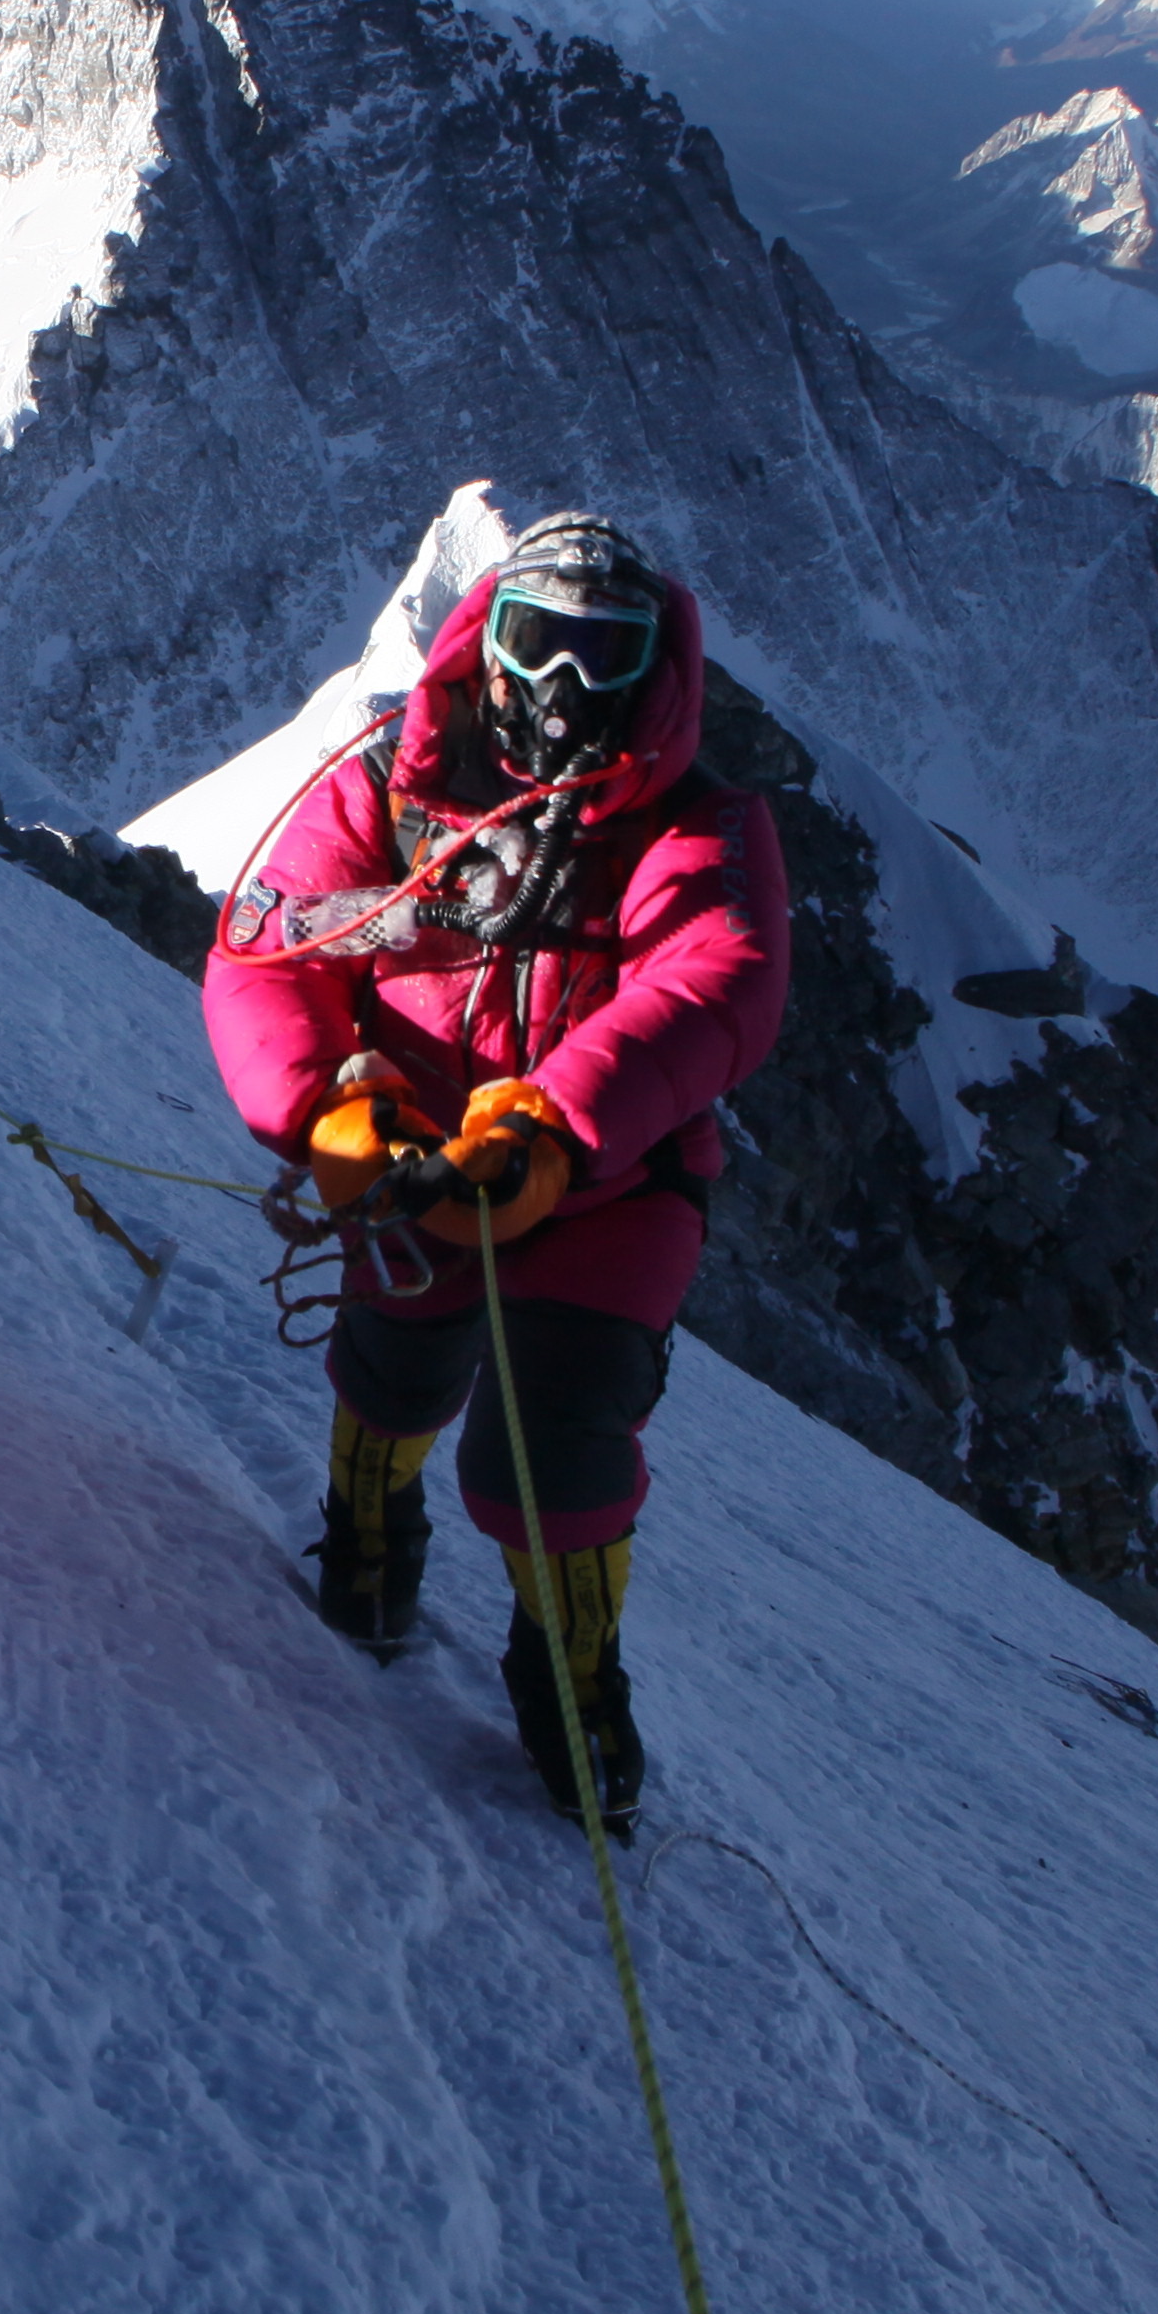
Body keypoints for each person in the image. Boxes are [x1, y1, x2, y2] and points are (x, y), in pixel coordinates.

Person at [202, 514, 790, 1833]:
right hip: (419, 1157)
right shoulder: (387, 792)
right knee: (397, 1362)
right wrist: (325, 1110)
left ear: (657, 670)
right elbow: (268, 950)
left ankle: (575, 1676)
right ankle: (369, 1535)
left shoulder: (699, 827)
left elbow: (720, 981)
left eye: (605, 654)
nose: (568, 687)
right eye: (541, 646)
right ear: (489, 645)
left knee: (557, 1443)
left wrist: (557, 1122)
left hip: (605, 1184)